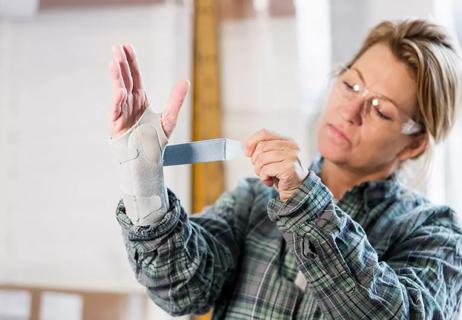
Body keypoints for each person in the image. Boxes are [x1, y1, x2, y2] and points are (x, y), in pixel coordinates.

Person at [108, 19, 462, 319]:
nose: (349, 110)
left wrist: (304, 202)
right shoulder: (253, 200)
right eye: (351, 84)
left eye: (380, 109)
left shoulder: (436, 234)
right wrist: (144, 182)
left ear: (415, 143)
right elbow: (181, 289)